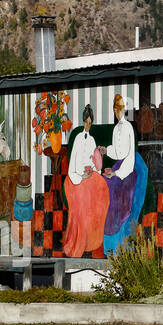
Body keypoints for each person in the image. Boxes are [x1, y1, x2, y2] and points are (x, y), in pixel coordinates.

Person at [63, 105, 109, 257]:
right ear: (83, 121)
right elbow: (73, 164)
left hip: (90, 174)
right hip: (76, 176)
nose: (88, 125)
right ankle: (79, 240)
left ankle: (93, 239)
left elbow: (95, 161)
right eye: (86, 122)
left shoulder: (92, 139)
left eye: (90, 122)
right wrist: (80, 176)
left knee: (101, 187)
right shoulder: (77, 138)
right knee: (83, 196)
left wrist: (94, 169)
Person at [102, 94, 145, 252]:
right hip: (119, 166)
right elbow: (117, 152)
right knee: (104, 185)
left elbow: (128, 155)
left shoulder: (127, 128)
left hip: (128, 170)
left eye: (120, 109)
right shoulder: (116, 128)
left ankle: (120, 245)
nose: (117, 112)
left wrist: (117, 174)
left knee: (117, 198)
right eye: (115, 110)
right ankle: (109, 246)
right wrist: (106, 150)